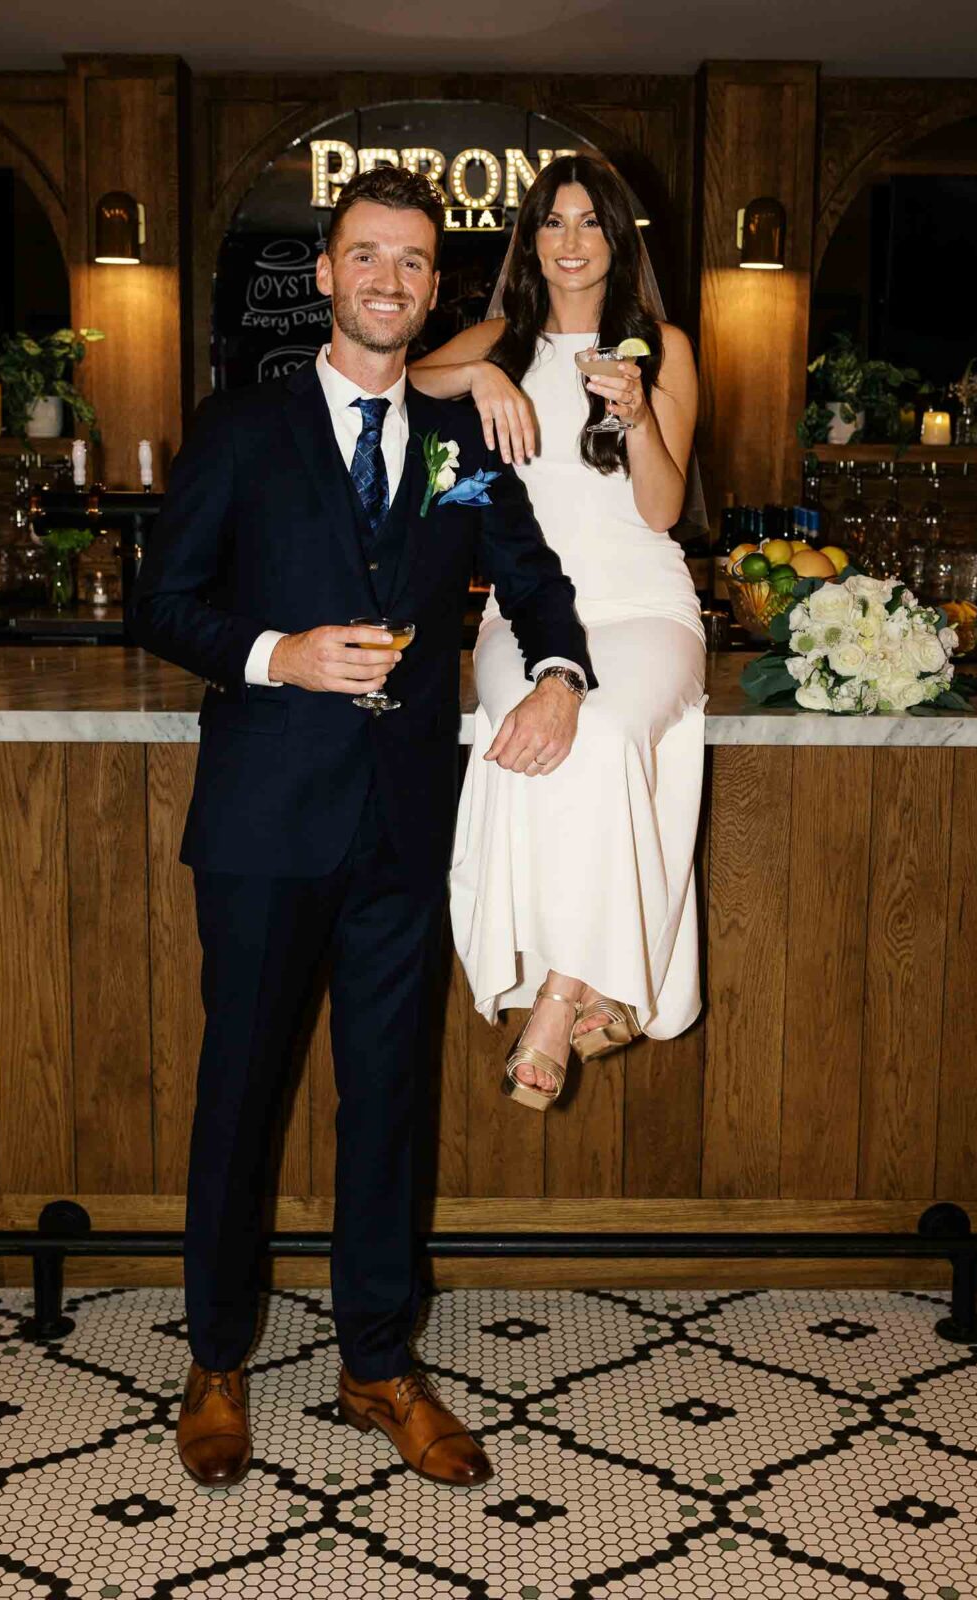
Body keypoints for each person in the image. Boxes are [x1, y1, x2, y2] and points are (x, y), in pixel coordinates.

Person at [127, 164, 594, 1491]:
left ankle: (375, 1366)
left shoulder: (452, 450)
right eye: (365, 257)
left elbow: (532, 579)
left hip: (400, 825)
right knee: (240, 1098)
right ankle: (215, 1357)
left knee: (386, 1105)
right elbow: (162, 604)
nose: (388, 280)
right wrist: (275, 652)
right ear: (326, 277)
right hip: (265, 822)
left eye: (411, 263)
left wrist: (557, 671)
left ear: (430, 289)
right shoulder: (241, 426)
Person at [410, 153, 707, 1111]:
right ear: (529, 241)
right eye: (551, 223)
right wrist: (487, 378)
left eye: (588, 223)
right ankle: (595, 983)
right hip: (525, 608)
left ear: (616, 240)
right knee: (528, 732)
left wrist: (637, 418)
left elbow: (662, 511)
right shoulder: (501, 334)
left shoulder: (662, 344)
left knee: (611, 731)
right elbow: (407, 375)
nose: (570, 242)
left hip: (643, 604)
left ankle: (560, 993)